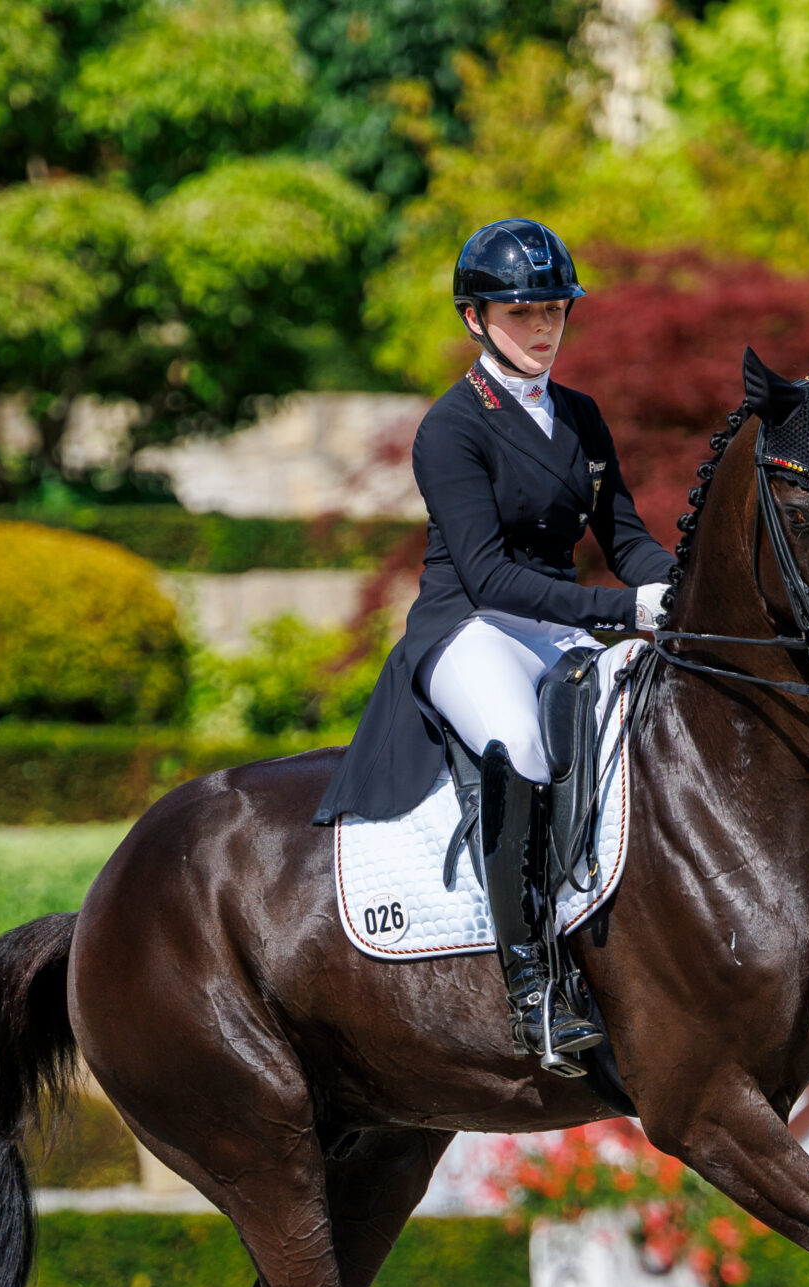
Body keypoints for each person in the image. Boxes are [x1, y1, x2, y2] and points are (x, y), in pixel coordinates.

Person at [312, 218, 675, 1070]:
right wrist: (620, 611)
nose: (545, 326)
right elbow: (487, 575)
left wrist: (686, 583)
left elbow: (628, 542)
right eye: (524, 312)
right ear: (476, 319)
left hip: (556, 622)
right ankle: (534, 991)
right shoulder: (451, 426)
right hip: (471, 626)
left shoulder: (581, 416)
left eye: (555, 308)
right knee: (522, 746)